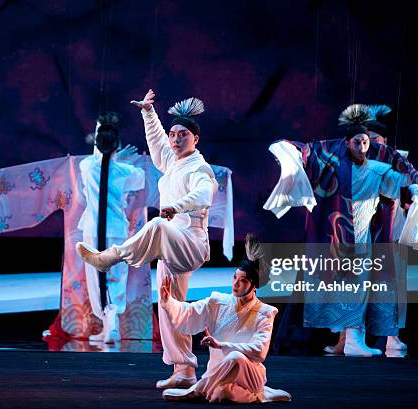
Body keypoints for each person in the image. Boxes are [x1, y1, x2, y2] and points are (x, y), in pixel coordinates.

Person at [77, 89, 218, 388]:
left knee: (156, 225)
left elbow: (204, 193)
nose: (176, 139)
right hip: (171, 247)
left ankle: (110, 256)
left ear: (196, 139)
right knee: (169, 305)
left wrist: (177, 207)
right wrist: (148, 113)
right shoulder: (173, 162)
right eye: (174, 134)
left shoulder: (198, 168)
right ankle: (183, 370)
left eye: (183, 134)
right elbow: (156, 146)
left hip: (190, 242)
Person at [265, 104, 418, 357]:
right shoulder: (334, 165)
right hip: (340, 238)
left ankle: (361, 339)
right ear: (348, 142)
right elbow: (311, 152)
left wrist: (415, 187)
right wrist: (289, 150)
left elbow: (401, 180)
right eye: (359, 141)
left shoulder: (378, 167)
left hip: (365, 237)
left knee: (363, 287)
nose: (364, 146)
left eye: (368, 142)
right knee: (349, 286)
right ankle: (351, 340)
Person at [160, 235, 291, 403]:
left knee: (235, 357)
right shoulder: (218, 302)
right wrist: (168, 302)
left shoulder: (265, 312)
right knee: (221, 395)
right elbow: (188, 313)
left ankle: (198, 390)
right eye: (235, 278)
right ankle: (257, 394)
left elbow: (259, 351)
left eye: (243, 280)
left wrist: (221, 345)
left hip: (248, 375)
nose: (236, 284)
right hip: (219, 375)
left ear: (254, 285)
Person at [78, 112, 144, 344]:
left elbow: (98, 161)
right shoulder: (126, 171)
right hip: (116, 230)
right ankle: (111, 325)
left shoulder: (86, 166)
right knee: (116, 276)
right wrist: (119, 161)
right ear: (116, 145)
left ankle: (109, 325)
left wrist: (110, 155)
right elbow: (140, 178)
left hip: (94, 231)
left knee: (97, 279)